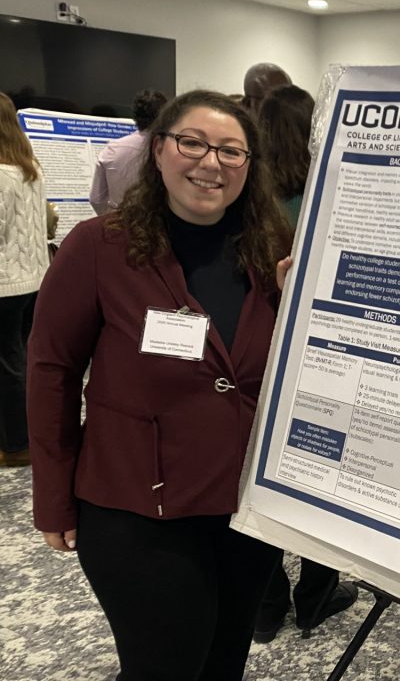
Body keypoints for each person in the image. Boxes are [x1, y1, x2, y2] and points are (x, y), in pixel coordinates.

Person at [28, 90, 293, 681]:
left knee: (224, 661)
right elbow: (51, 373)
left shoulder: (273, 254)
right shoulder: (99, 247)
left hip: (243, 507)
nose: (211, 162)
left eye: (231, 151)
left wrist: (299, 305)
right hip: (138, 508)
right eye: (192, 143)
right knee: (165, 666)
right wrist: (52, 495)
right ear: (158, 151)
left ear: (250, 166)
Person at [253, 83, 358, 643]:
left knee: (258, 476)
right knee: (319, 470)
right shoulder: (333, 189)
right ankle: (317, 596)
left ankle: (266, 605)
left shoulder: (251, 201)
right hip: (322, 358)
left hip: (257, 357)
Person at [0, 92, 49, 468]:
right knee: (24, 361)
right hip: (34, 279)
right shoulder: (30, 167)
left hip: (5, 284)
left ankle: (17, 445)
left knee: (8, 366)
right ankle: (32, 435)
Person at [90, 89, 168, 214]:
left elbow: (96, 199)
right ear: (165, 116)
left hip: (118, 221)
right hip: (158, 221)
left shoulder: (112, 149)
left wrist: (113, 217)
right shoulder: (169, 150)